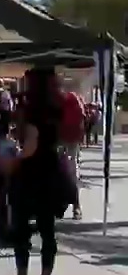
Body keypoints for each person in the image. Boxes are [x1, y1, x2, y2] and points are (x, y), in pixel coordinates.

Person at [0, 67, 66, 275]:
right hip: (51, 171)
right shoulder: (57, 108)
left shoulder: (32, 109)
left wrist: (12, 159)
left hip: (31, 174)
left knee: (22, 228)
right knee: (48, 229)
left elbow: (31, 145)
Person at [57, 79, 86, 220]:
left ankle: (76, 205)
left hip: (67, 141)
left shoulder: (70, 100)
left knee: (71, 173)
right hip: (65, 140)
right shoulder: (72, 99)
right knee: (69, 172)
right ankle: (74, 206)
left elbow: (80, 120)